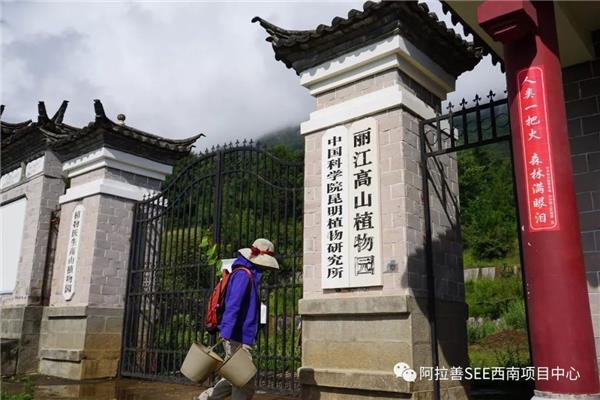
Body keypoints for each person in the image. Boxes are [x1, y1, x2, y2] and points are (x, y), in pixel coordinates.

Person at [197, 238, 279, 400]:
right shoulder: (243, 275)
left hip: (237, 335)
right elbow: (233, 305)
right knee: (244, 381)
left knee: (233, 376)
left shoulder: (246, 274)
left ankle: (205, 399)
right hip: (237, 336)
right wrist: (227, 332)